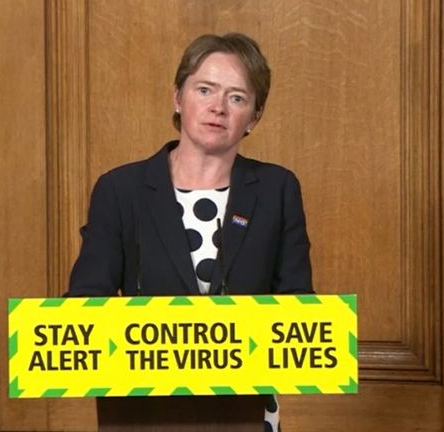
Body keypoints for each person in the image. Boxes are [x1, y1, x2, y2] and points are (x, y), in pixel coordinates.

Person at [65, 32, 314, 432]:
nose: (218, 107)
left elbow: (298, 303)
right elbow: (84, 304)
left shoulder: (277, 189)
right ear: (178, 98)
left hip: (246, 410)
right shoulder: (120, 189)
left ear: (254, 117)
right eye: (205, 89)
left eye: (237, 97)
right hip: (143, 412)